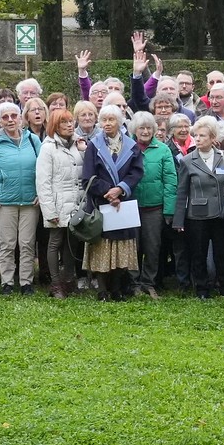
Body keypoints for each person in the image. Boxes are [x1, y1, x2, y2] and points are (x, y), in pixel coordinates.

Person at [0, 101, 43, 296]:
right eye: (5, 117)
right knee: (7, 244)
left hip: (30, 202)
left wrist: (41, 194)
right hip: (4, 202)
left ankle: (26, 282)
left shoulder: (33, 140)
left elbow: (44, 170)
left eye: (14, 116)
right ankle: (7, 282)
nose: (10, 120)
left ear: (21, 118)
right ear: (0, 121)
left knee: (27, 243)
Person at [80, 103, 144, 300]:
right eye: (104, 120)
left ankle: (116, 289)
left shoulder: (132, 146)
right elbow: (87, 178)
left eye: (111, 120)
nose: (107, 124)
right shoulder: (94, 146)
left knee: (120, 248)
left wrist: (121, 190)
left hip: (123, 205)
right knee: (102, 248)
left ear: (120, 121)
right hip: (101, 204)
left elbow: (137, 172)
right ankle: (102, 290)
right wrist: (109, 192)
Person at [175, 118, 224, 299]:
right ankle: (201, 288)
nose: (198, 139)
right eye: (196, 135)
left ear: (213, 138)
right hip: (197, 215)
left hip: (221, 213)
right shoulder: (187, 161)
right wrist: (179, 220)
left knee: (222, 253)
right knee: (198, 254)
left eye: (203, 135)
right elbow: (182, 191)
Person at [36, 108, 87, 298]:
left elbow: (84, 172)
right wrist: (49, 210)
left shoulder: (78, 145)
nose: (69, 125)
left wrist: (84, 151)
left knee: (71, 242)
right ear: (55, 126)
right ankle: (55, 284)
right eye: (63, 122)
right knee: (55, 242)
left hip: (75, 203)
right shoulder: (48, 148)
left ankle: (68, 280)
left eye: (70, 121)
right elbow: (43, 182)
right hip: (57, 204)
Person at [129, 111, 177, 297]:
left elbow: (170, 181)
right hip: (131, 206)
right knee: (132, 247)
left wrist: (169, 210)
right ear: (135, 129)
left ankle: (148, 283)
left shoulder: (163, 150)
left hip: (154, 208)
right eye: (142, 127)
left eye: (149, 127)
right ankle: (133, 284)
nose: (146, 131)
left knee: (153, 247)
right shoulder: (127, 147)